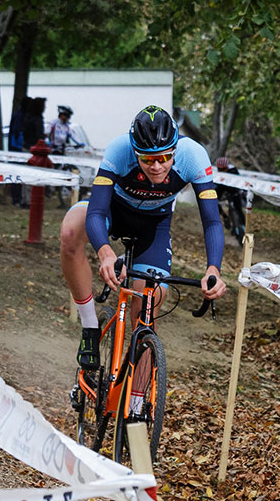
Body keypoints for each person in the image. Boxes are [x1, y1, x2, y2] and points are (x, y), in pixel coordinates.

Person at [60, 106, 227, 371]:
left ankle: (137, 404)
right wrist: (104, 252)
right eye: (147, 160)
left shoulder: (194, 156)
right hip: (113, 211)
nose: (157, 166)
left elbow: (211, 221)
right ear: (135, 151)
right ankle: (90, 328)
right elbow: (97, 211)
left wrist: (213, 268)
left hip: (154, 225)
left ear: (175, 149)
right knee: (70, 232)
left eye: (164, 157)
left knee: (147, 308)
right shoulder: (119, 149)